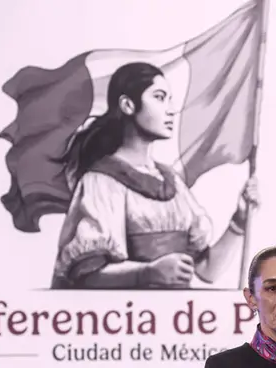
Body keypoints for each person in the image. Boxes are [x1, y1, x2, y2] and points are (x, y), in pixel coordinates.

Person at [51, 61, 259, 289]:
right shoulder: (101, 181)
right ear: (128, 105)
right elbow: (87, 276)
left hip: (179, 310)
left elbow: (207, 271)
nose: (170, 110)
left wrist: (239, 220)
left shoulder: (172, 182)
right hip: (128, 311)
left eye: (169, 99)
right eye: (159, 98)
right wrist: (147, 273)